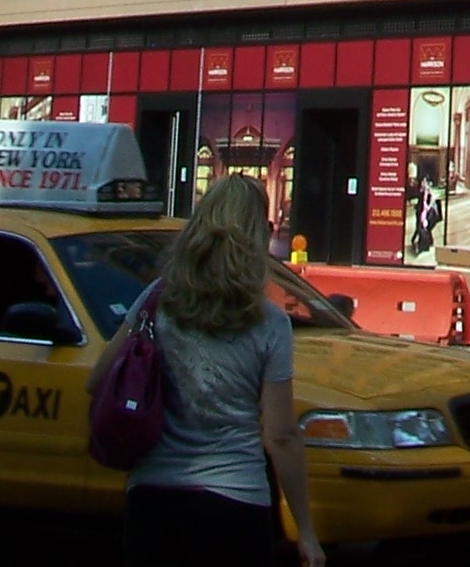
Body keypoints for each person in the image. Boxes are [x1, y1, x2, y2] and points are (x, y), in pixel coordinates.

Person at [93, 172, 323, 566]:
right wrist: (305, 531)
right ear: (259, 238)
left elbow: (98, 378)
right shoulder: (270, 324)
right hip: (235, 507)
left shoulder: (157, 301)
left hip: (154, 504)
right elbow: (281, 435)